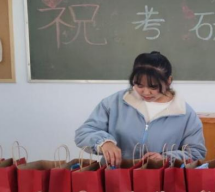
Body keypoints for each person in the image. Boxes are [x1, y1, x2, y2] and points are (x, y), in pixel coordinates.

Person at [75, 52, 207, 167]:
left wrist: (166, 158)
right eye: (139, 85)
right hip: (115, 177)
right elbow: (84, 132)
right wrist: (104, 143)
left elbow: (196, 152)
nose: (146, 92)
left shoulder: (185, 113)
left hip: (160, 181)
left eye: (153, 87)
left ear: (168, 81)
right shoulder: (115, 103)